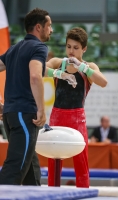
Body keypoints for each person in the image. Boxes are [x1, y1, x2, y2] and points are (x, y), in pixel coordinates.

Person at [0, 8, 76, 185]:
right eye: (49, 26)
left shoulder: (14, 49)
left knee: (31, 169)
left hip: (11, 115)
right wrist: (41, 110)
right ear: (38, 27)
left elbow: (37, 69)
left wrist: (58, 74)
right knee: (15, 169)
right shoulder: (38, 47)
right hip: (25, 114)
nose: (51, 30)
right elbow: (35, 76)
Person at [46, 27, 108, 187]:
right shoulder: (58, 63)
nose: (71, 51)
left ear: (84, 49)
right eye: (68, 47)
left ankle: (83, 193)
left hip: (77, 119)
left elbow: (103, 82)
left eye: (76, 47)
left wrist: (82, 67)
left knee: (81, 162)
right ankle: (52, 194)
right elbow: (38, 69)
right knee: (54, 162)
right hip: (57, 117)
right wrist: (59, 74)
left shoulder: (89, 67)